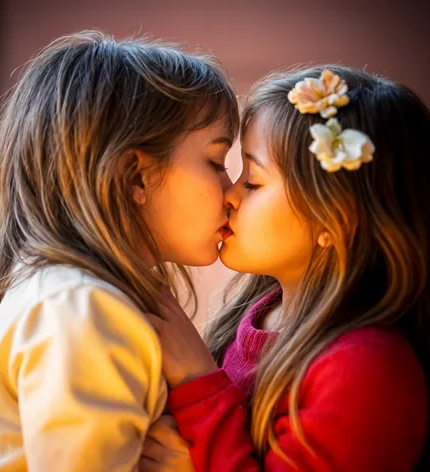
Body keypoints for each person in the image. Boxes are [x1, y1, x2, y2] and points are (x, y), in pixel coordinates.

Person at [0, 30, 239, 471]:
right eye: (217, 162)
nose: (231, 192)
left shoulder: (66, 295)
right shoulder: (83, 307)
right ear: (135, 177)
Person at [142, 66, 430, 471]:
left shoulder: (366, 371)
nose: (229, 195)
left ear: (334, 219)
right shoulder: (253, 316)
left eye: (253, 182)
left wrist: (196, 379)